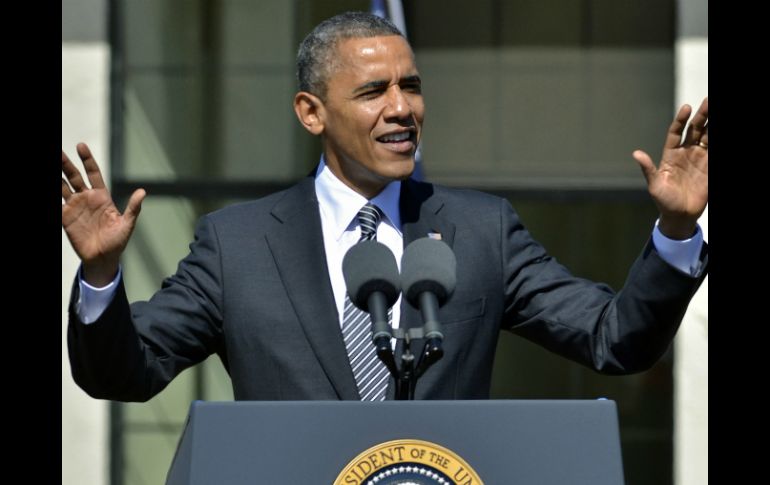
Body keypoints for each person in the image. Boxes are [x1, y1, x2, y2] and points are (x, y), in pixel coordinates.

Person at [62, 12, 708, 402]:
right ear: (310, 112)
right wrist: (99, 277)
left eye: (412, 86)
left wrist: (677, 231)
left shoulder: (482, 230)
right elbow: (127, 373)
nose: (402, 108)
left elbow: (614, 338)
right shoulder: (237, 244)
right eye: (374, 90)